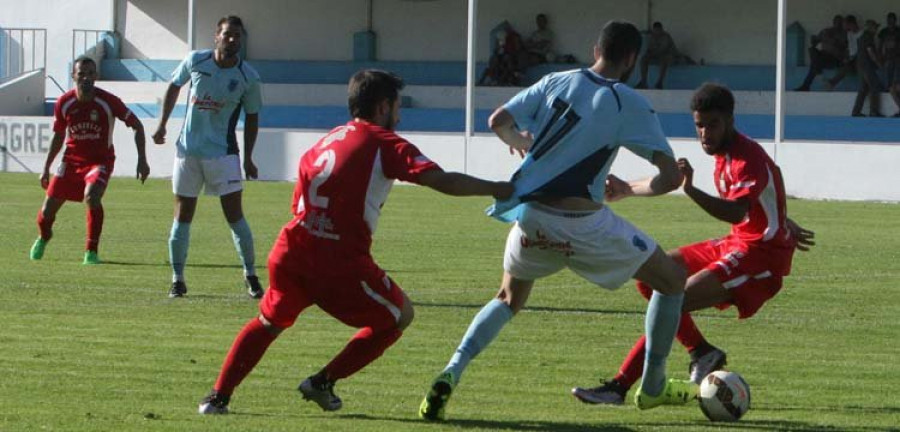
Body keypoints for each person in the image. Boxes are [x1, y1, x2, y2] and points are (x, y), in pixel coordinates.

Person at [420, 20, 694, 422]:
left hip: (531, 218)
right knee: (671, 281)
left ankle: (452, 369)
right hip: (583, 224)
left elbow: (498, 120)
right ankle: (652, 387)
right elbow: (670, 178)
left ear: (594, 48)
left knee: (508, 299)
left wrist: (524, 144)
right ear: (632, 58)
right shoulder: (627, 101)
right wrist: (627, 189)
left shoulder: (556, 81)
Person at [196, 69, 514, 415]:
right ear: (383, 106)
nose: (400, 115)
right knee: (399, 316)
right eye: (397, 106)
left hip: (292, 249)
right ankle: (322, 381)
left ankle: (216, 397)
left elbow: (300, 199)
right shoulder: (384, 142)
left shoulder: (328, 138)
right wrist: (499, 188)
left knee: (268, 323)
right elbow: (443, 181)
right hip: (338, 261)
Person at [571, 83, 816, 406]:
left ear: (729, 120)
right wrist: (782, 219)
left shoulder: (746, 158)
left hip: (761, 258)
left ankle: (619, 386)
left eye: (712, 125)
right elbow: (769, 187)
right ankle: (702, 351)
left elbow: (737, 208)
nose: (704, 133)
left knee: (673, 300)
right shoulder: (725, 154)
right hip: (739, 241)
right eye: (699, 125)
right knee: (653, 277)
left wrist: (692, 191)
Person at [152, 15, 264, 298]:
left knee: (235, 216)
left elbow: (252, 117)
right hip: (187, 153)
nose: (232, 40)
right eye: (227, 34)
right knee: (182, 217)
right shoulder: (196, 61)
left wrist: (249, 157)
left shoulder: (248, 77)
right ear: (216, 36)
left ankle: (250, 274)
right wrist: (162, 123)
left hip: (223, 156)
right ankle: (177, 278)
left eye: (237, 35)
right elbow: (174, 86)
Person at [29, 56, 149, 265]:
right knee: (46, 211)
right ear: (73, 75)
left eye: (90, 73)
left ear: (96, 76)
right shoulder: (64, 103)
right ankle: (44, 237)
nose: (86, 78)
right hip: (71, 161)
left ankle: (91, 252)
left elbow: (137, 125)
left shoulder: (108, 101)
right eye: (81, 73)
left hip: (99, 161)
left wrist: (142, 160)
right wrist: (46, 167)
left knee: (92, 197)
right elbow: (58, 136)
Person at [794, 15, 849, 91]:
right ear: (833, 22)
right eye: (836, 22)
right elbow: (815, 42)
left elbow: (848, 48)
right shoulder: (826, 31)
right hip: (823, 56)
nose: (838, 24)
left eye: (840, 22)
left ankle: (807, 84)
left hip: (835, 59)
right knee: (812, 51)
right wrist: (814, 39)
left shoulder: (845, 34)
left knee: (815, 64)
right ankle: (812, 76)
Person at [851, 19, 883, 117]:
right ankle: (874, 111)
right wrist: (878, 64)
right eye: (875, 27)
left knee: (863, 89)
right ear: (870, 27)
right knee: (874, 86)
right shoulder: (868, 36)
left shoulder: (861, 37)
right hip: (867, 65)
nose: (876, 29)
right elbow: (870, 52)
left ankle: (856, 112)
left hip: (860, 65)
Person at [636, 22, 678, 90]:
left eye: (658, 30)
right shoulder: (652, 36)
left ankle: (659, 82)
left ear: (661, 29)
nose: (656, 32)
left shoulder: (666, 36)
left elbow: (663, 50)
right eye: (655, 30)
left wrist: (652, 52)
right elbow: (649, 48)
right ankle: (643, 82)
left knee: (664, 60)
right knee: (643, 59)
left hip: (667, 55)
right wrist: (648, 53)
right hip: (655, 55)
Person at [825, 15, 862, 90]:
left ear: (851, 24)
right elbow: (851, 49)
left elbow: (862, 50)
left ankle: (832, 82)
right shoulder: (849, 34)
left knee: (850, 66)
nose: (845, 28)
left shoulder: (862, 33)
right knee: (846, 65)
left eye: (846, 25)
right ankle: (832, 83)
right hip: (852, 59)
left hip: (861, 58)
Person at [877, 12, 900, 116]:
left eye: (892, 20)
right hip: (888, 61)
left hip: (898, 60)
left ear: (895, 21)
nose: (890, 22)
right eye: (888, 20)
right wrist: (880, 61)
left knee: (894, 86)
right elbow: (879, 47)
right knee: (890, 87)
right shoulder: (883, 32)